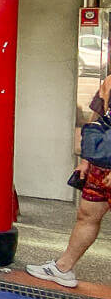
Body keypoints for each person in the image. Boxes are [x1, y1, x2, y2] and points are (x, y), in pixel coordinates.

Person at [27, 73, 111, 287]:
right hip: (101, 163)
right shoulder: (109, 81)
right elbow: (97, 118)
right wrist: (86, 158)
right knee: (87, 215)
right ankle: (63, 268)